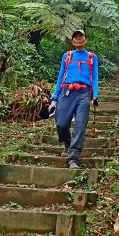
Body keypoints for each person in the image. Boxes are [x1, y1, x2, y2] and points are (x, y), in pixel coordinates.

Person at [49, 29, 99, 169]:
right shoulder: (67, 56)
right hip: (67, 92)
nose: (78, 40)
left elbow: (94, 77)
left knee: (80, 125)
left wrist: (95, 95)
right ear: (72, 41)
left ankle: (73, 158)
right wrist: (54, 98)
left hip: (84, 93)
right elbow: (60, 77)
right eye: (75, 38)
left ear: (85, 39)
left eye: (81, 37)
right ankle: (67, 143)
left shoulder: (92, 57)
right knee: (61, 124)